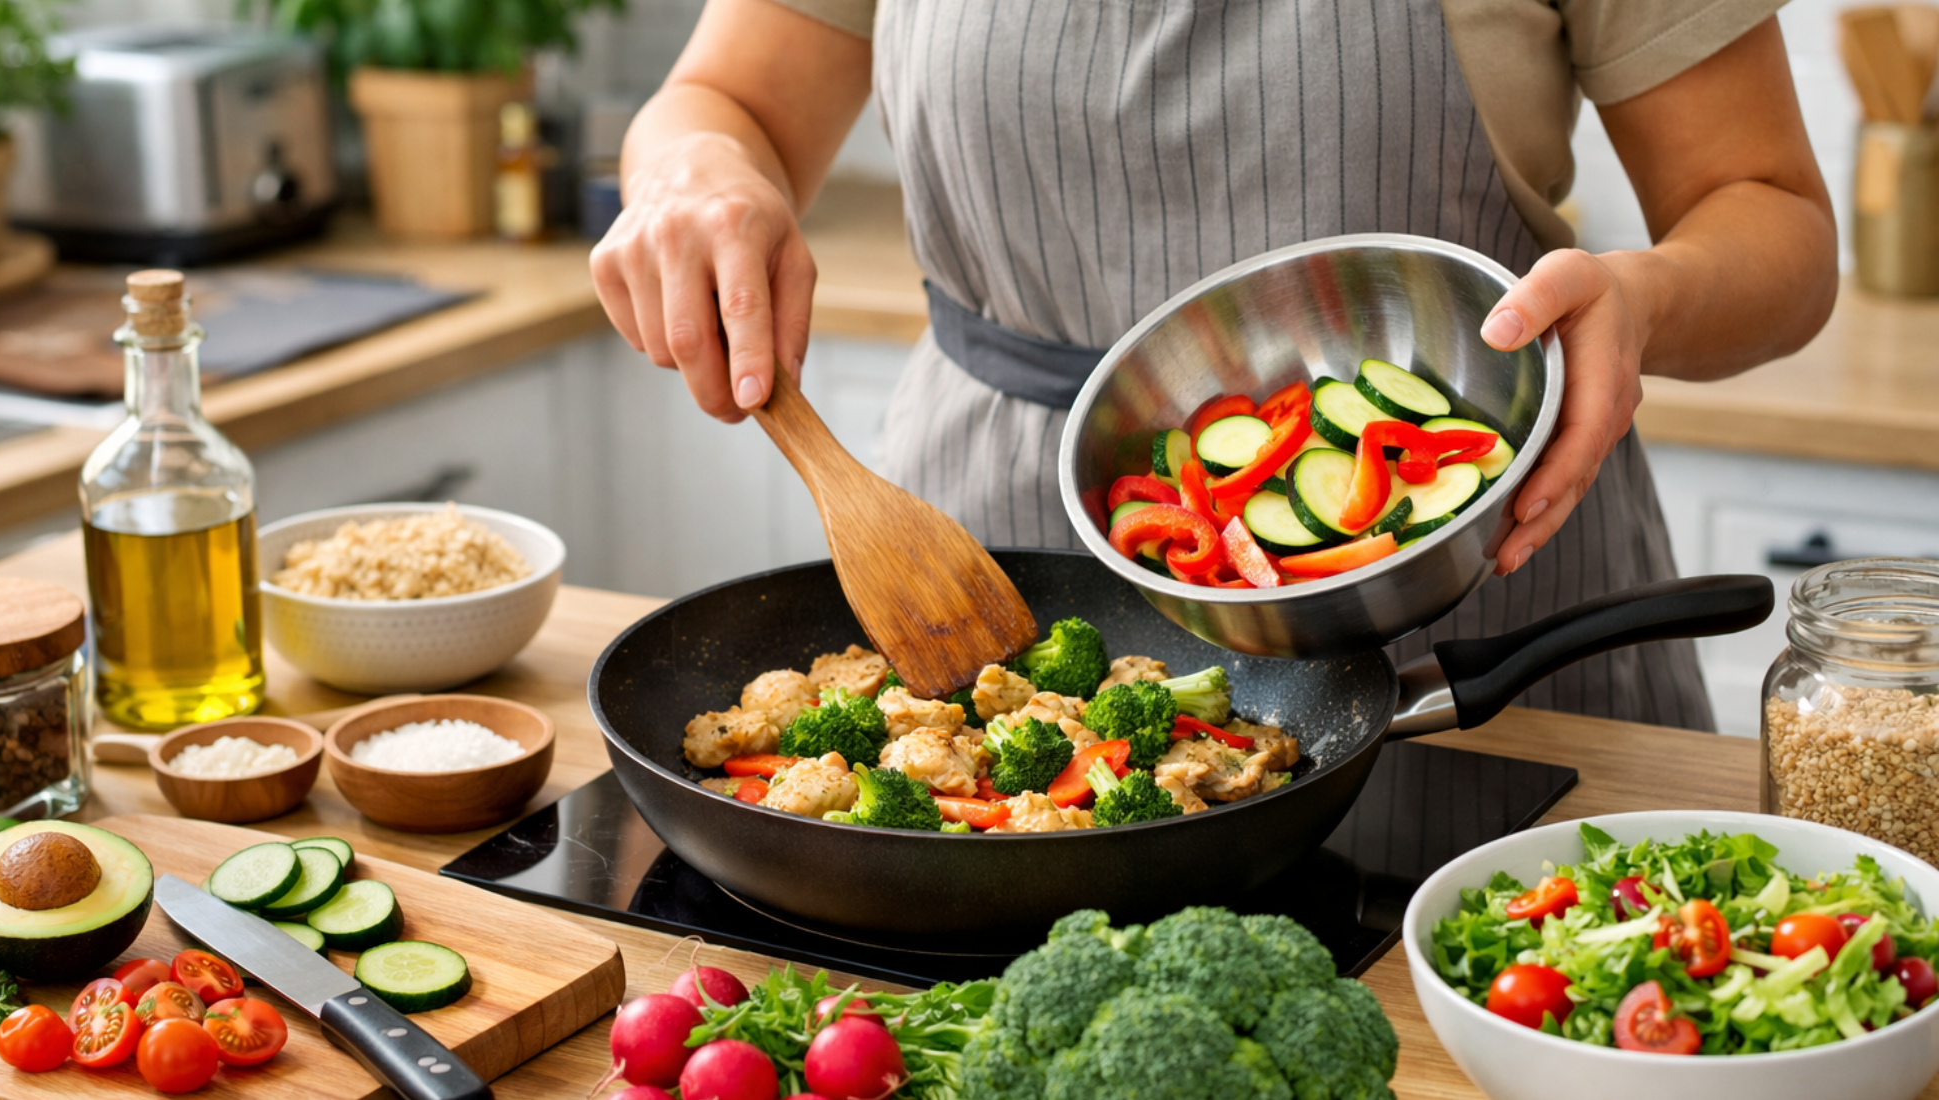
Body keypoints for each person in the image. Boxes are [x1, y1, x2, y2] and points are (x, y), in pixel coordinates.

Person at [589, 0, 1836, 729]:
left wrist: (1642, 297)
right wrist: (695, 173)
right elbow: (720, 100)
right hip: (982, 560)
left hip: (1471, 582)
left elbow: (1769, 213)